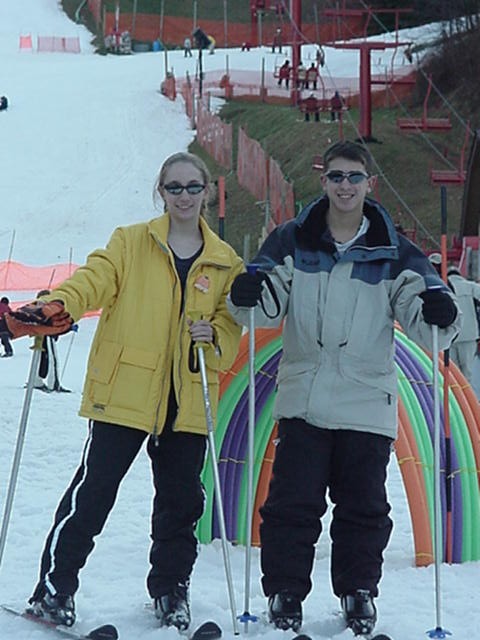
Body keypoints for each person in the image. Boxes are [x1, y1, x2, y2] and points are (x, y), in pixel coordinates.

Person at [227, 141, 461, 636]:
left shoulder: (393, 249)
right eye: (336, 176)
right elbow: (263, 305)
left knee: (364, 508)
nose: (345, 186)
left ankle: (359, 592)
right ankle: (285, 591)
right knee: (292, 504)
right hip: (305, 398)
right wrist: (247, 294)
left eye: (355, 177)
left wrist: (440, 313)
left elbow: (424, 314)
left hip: (365, 401)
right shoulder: (294, 239)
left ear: (369, 183)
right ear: (324, 181)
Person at [3, 152, 243, 631]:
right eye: (174, 187)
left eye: (193, 187)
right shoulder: (131, 243)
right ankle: (54, 590)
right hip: (125, 390)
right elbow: (92, 282)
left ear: (207, 191)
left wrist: (214, 334)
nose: (184, 197)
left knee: (181, 503)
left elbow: (231, 324)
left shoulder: (224, 261)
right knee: (94, 492)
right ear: (161, 192)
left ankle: (171, 591)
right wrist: (56, 305)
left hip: (187, 396)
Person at [428, 254, 480, 382]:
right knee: (467, 371)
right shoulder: (470, 286)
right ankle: (468, 394)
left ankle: (455, 394)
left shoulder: (439, 286)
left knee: (452, 372)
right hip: (469, 335)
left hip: (450, 336)